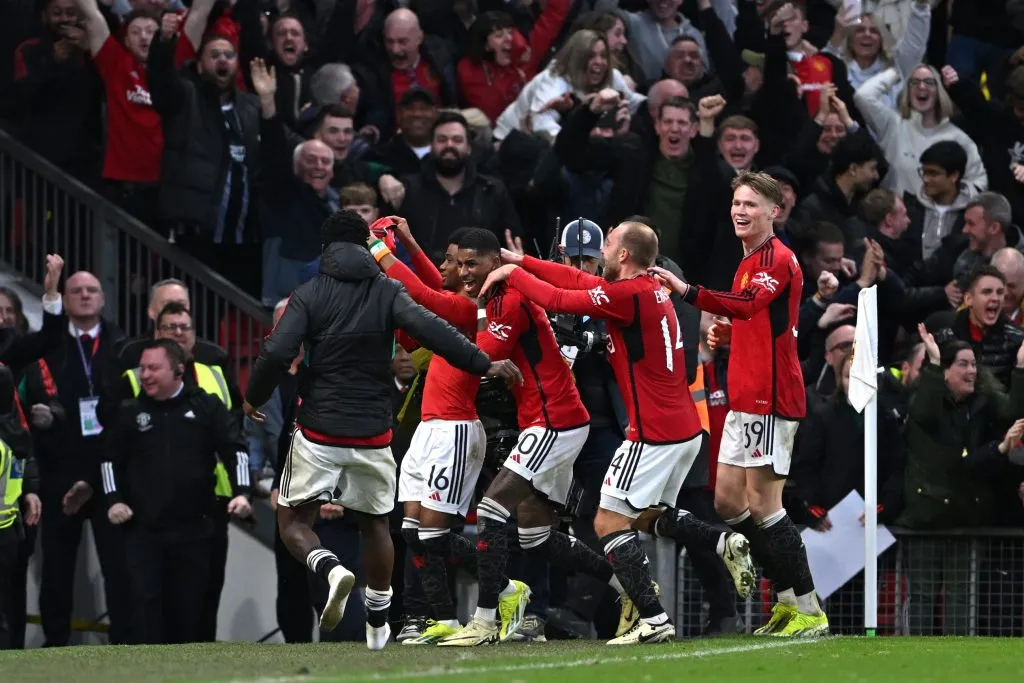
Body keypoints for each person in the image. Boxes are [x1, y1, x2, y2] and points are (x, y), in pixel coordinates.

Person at [242, 210, 518, 651]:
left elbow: (277, 353)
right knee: (376, 526)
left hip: (318, 429)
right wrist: (485, 362)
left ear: (326, 248)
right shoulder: (387, 290)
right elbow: (437, 331)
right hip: (374, 433)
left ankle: (328, 567)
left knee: (293, 522)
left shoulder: (309, 293)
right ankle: (377, 623)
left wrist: (254, 396)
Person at [478, 221, 755, 645]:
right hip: (683, 428)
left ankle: (654, 618)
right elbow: (578, 279)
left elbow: (560, 297)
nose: (603, 250)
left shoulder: (627, 295)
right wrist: (523, 260)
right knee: (646, 516)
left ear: (624, 254)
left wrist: (512, 275)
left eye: (608, 243)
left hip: (653, 431)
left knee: (607, 521)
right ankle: (721, 541)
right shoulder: (649, 288)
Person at [651, 171, 828, 638]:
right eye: (736, 203)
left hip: (771, 397)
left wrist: (686, 291)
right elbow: (755, 318)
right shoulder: (748, 259)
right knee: (728, 503)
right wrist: (729, 335)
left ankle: (806, 605)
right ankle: (789, 600)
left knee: (766, 507)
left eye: (751, 204)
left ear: (775, 211)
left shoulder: (777, 258)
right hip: (744, 395)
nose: (740, 211)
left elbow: (749, 304)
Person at [366, 216, 520, 644]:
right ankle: (444, 621)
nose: (462, 273)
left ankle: (506, 589)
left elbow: (420, 292)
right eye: (457, 264)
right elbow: (436, 283)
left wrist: (378, 249)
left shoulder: (474, 308)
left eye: (471, 265)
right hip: (431, 428)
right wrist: (410, 242)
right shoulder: (462, 299)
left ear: (492, 265)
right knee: (414, 532)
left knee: (434, 534)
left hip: (455, 428)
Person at [100, 339, 252, 644]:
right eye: (142, 368)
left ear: (178, 371)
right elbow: (107, 461)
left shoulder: (206, 406)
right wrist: (113, 500)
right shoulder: (130, 411)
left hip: (195, 530)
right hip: (143, 531)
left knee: (189, 615)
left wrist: (242, 492)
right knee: (145, 611)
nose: (145, 375)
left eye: (153, 368)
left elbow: (236, 451)